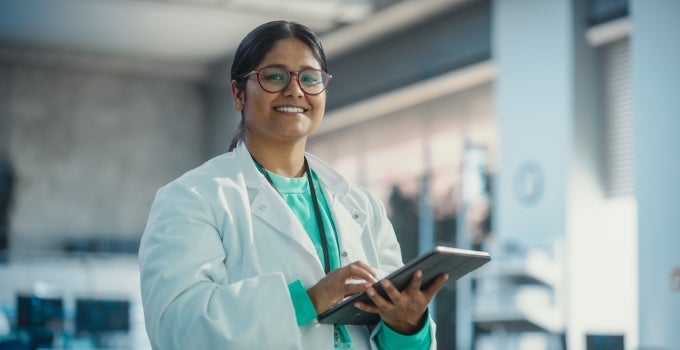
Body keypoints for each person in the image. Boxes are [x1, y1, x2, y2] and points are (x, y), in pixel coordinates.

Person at [138, 20, 449, 349]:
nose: (295, 90)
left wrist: (407, 325)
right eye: (275, 76)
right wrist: (308, 300)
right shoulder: (194, 198)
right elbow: (177, 327)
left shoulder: (361, 206)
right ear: (238, 94)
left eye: (310, 78)